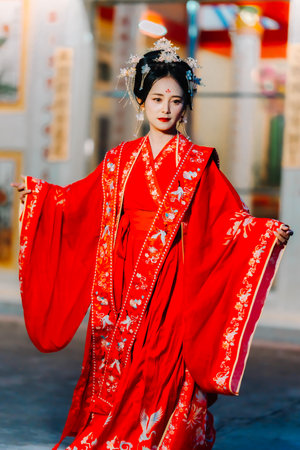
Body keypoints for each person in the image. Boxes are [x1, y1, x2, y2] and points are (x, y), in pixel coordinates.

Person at [12, 38, 292, 450]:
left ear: (185, 106)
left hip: (173, 277)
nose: (165, 108)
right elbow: (78, 202)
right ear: (140, 99)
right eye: (157, 98)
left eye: (175, 100)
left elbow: (228, 221)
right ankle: (119, 430)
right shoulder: (120, 159)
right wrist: (40, 196)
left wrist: (264, 233)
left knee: (163, 359)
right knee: (125, 362)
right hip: (123, 276)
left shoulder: (199, 162)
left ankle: (163, 433)